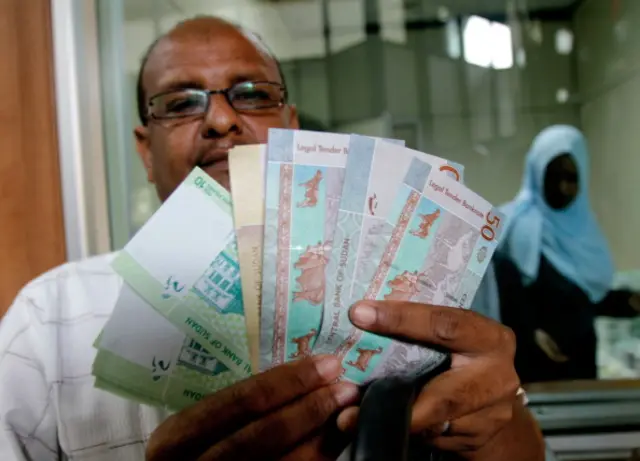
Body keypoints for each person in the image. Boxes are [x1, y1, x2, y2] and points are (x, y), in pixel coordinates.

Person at [0, 16, 544, 461]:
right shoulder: (47, 318)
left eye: (252, 95)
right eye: (180, 102)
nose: (219, 119)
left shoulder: (411, 293)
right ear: (146, 150)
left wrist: (496, 422)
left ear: (292, 126)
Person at [495, 125, 639, 384]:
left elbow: (581, 299)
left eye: (572, 178)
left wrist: (624, 302)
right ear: (537, 174)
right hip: (532, 373)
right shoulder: (514, 227)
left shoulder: (584, 229)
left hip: (582, 365)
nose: (563, 188)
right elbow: (502, 300)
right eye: (553, 177)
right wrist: (529, 333)